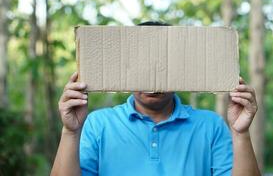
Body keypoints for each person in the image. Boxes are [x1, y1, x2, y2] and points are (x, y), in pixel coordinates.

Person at [51, 22, 261, 176]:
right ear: (127, 70)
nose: (152, 83)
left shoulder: (211, 125)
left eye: (161, 70)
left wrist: (241, 134)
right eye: (144, 70)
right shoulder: (97, 124)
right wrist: (70, 132)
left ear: (179, 71)